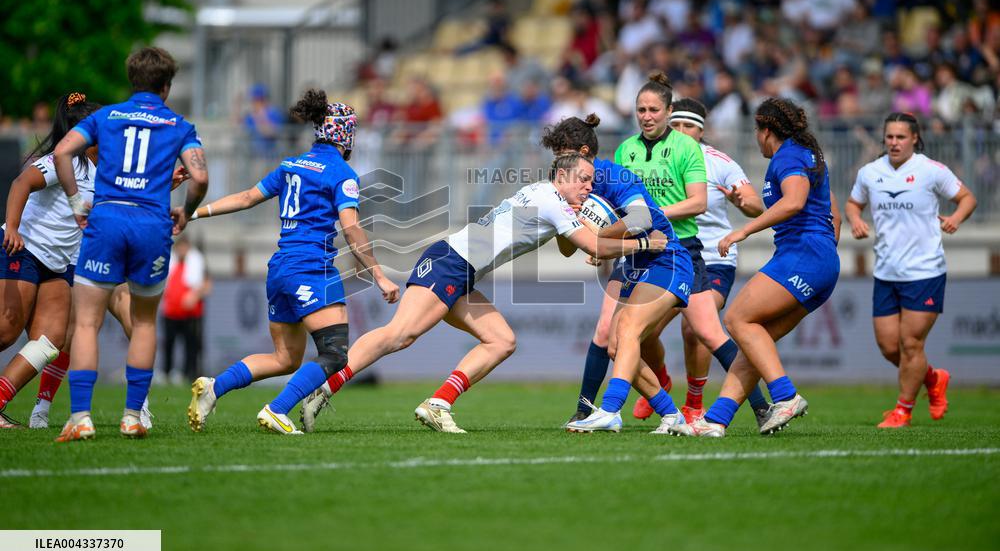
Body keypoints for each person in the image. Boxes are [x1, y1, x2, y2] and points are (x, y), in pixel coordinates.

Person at [300, 150, 684, 434]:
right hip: (451, 262)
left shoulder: (547, 196)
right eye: (583, 179)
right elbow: (595, 247)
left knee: (501, 340)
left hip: (461, 268)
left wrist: (601, 229)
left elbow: (579, 242)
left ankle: (439, 403)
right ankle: (324, 386)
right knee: (400, 335)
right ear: (563, 176)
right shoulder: (553, 203)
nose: (589, 186)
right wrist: (644, 245)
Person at [185, 92, 399, 434]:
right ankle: (276, 409)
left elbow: (245, 198)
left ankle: (213, 388)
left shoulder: (291, 165)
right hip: (311, 266)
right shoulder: (342, 173)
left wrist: (192, 212)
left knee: (285, 358)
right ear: (347, 137)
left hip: (280, 267)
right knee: (335, 352)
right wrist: (380, 275)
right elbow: (351, 227)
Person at [52, 47, 209, 442]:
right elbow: (200, 177)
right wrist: (186, 211)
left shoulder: (106, 117)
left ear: (131, 81)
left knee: (87, 322)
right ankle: (132, 416)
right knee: (142, 322)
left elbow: (62, 151)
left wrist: (75, 203)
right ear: (167, 87)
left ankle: (81, 418)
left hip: (106, 219)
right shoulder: (179, 124)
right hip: (151, 225)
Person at [0, 93, 171, 430]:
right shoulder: (64, 161)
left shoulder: (103, 170)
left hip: (58, 264)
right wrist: (14, 228)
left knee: (50, 342)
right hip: (23, 249)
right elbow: (21, 183)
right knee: (5, 332)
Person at [690, 98, 842, 437]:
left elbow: (794, 202)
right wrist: (825, 253)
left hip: (802, 254)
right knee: (754, 342)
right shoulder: (806, 154)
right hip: (818, 258)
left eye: (757, 132)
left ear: (766, 131)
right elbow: (833, 210)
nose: (756, 139)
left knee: (735, 319)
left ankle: (785, 396)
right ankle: (715, 421)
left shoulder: (787, 155)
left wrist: (743, 230)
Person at [537, 115, 698, 433]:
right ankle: (672, 415)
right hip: (638, 264)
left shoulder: (612, 175)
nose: (559, 163)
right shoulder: (568, 188)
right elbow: (570, 249)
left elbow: (641, 217)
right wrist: (567, 221)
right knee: (615, 344)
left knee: (627, 331)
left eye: (562, 155)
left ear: (583, 151)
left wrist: (601, 241)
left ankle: (610, 410)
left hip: (667, 258)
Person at [633, 98, 771, 426]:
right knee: (641, 333)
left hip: (711, 258)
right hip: (666, 256)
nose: (681, 131)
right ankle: (662, 382)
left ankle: (694, 403)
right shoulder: (655, 156)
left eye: (688, 126)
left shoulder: (719, 162)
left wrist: (743, 202)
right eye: (677, 125)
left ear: (701, 130)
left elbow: (755, 204)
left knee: (696, 328)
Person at [845, 112, 977, 428]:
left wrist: (956, 218)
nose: (894, 143)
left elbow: (967, 197)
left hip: (925, 271)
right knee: (890, 347)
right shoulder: (870, 172)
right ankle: (933, 378)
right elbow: (852, 203)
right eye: (889, 137)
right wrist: (856, 220)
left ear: (914, 138)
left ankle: (902, 411)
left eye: (900, 137)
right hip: (886, 272)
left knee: (911, 344)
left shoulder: (931, 171)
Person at [159, 234, 211, 385]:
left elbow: (207, 284)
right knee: (168, 344)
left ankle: (189, 375)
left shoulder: (198, 261)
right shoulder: (170, 261)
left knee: (191, 346)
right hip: (170, 312)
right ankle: (166, 373)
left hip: (192, 313)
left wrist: (195, 295)